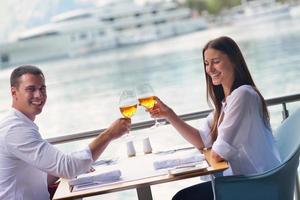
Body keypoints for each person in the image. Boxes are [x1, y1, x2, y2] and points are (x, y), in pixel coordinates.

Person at [149, 36, 281, 200]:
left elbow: (217, 154)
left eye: (216, 61)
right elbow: (202, 141)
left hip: (258, 185)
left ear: (234, 61)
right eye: (206, 63)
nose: (210, 69)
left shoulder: (243, 95)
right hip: (244, 181)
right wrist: (169, 114)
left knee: (183, 198)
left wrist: (212, 149)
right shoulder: (227, 102)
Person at [0, 65, 131, 199]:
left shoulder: (20, 124)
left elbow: (40, 180)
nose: (39, 95)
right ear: (14, 92)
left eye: (42, 89)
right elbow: (67, 167)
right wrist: (109, 135)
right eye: (31, 89)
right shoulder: (14, 129)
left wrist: (77, 167)